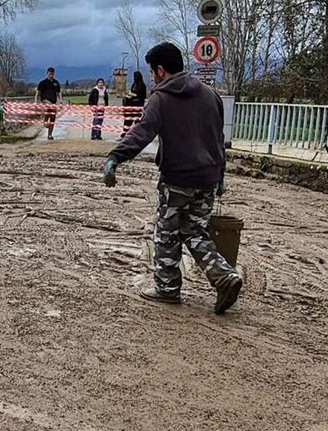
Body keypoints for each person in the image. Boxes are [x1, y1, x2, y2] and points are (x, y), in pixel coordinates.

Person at [102, 42, 242, 315]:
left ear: (161, 70)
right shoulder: (210, 95)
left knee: (166, 233)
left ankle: (167, 289)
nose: (152, 77)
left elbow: (141, 133)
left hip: (177, 178)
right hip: (208, 178)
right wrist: (220, 175)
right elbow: (217, 139)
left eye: (153, 72)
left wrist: (114, 158)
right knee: (194, 230)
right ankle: (224, 276)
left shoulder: (161, 98)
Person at [34, 67, 62, 140]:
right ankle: (45, 122)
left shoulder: (56, 83)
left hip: (53, 102)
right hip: (45, 101)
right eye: (49, 74)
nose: (51, 75)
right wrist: (36, 101)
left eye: (52, 74)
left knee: (52, 118)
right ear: (47, 74)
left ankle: (50, 134)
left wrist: (61, 100)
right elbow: (37, 93)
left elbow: (59, 92)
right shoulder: (42, 83)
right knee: (49, 106)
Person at [121, 71, 147, 139]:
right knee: (128, 120)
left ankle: (139, 135)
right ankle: (124, 134)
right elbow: (132, 92)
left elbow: (142, 96)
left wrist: (134, 95)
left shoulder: (142, 85)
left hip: (138, 105)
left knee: (137, 121)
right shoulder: (134, 84)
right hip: (131, 105)